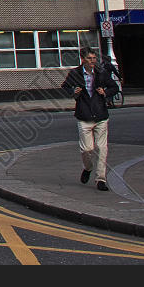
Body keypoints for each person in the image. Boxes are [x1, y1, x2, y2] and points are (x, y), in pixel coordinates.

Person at [61, 47, 117, 191]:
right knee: (87, 149)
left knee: (102, 148)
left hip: (101, 115)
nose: (93, 61)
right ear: (83, 59)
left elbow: (114, 87)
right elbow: (65, 86)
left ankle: (100, 180)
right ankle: (88, 168)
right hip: (84, 115)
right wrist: (73, 91)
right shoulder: (75, 73)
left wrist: (105, 92)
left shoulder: (101, 73)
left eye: (94, 58)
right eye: (90, 58)